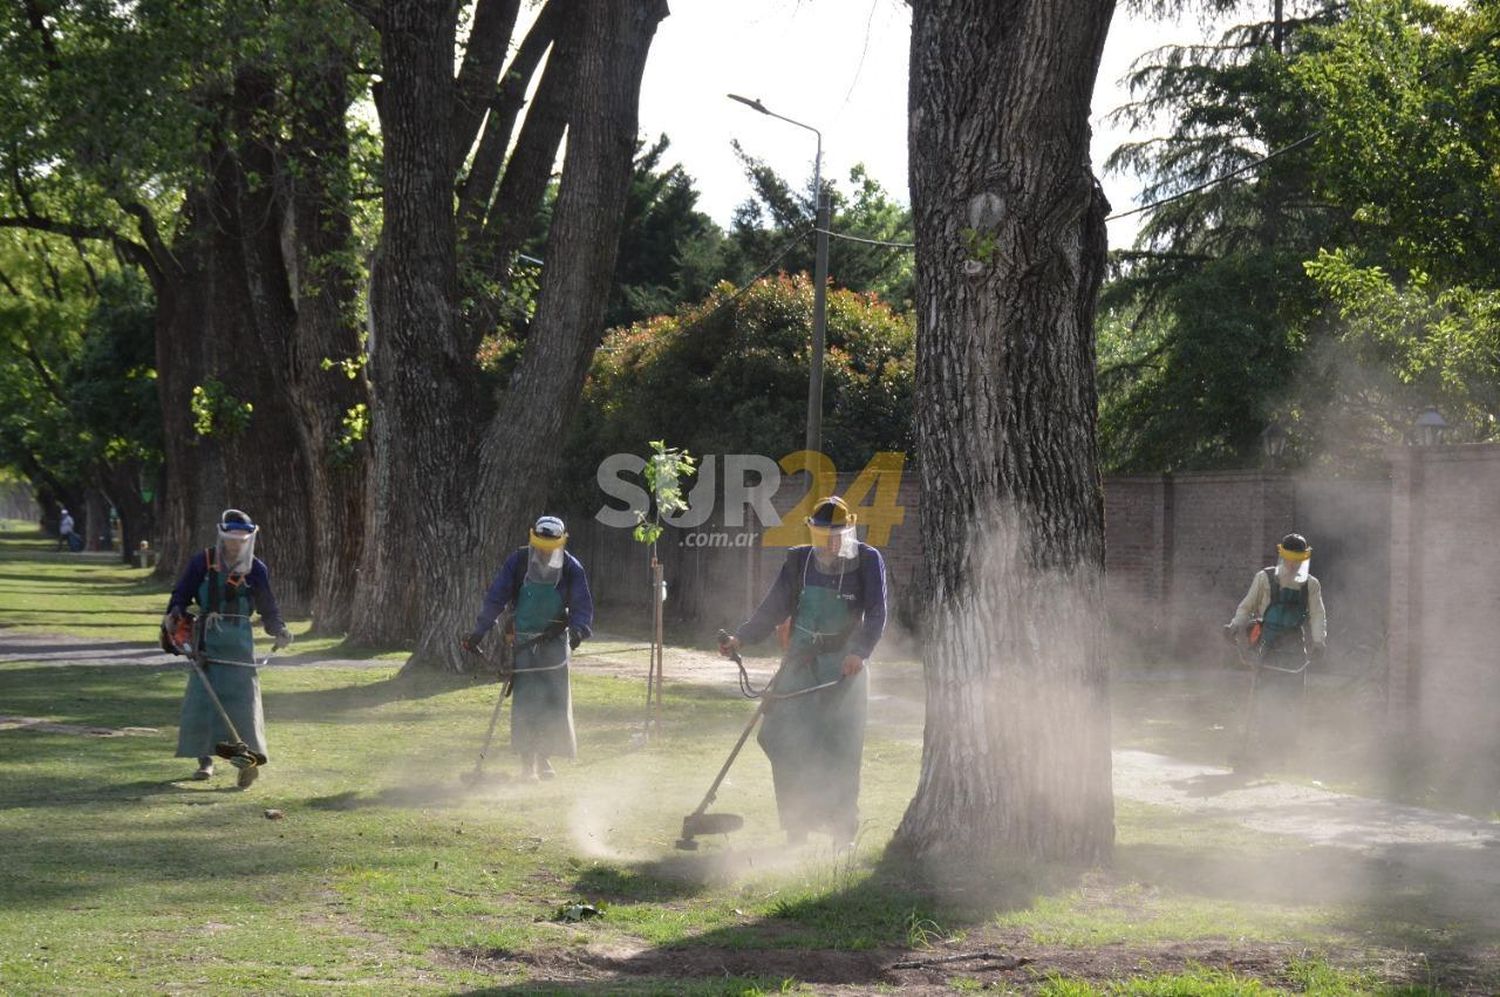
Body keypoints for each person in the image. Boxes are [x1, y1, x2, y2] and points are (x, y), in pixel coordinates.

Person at [720, 496, 888, 847]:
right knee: (779, 734)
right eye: (822, 534)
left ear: (849, 530)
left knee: (841, 746)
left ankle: (842, 832)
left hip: (844, 666)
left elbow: (876, 613)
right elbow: (775, 605)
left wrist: (860, 652)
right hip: (800, 659)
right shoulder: (799, 560)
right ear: (812, 533)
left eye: (837, 534)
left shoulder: (868, 560)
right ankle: (798, 821)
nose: (830, 542)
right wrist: (742, 637)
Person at [159, 509, 293, 787]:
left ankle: (246, 764)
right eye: (231, 538)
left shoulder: (256, 569)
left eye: (241, 538)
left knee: (243, 706)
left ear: (249, 539)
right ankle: (205, 761)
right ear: (223, 537)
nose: (236, 543)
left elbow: (268, 607)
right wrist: (175, 615)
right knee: (203, 703)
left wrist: (279, 629)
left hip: (240, 645)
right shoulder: (203, 562)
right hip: (206, 642)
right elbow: (181, 595)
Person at [464, 515, 594, 781]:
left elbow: (582, 605)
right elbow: (496, 598)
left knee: (553, 701)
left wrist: (579, 631)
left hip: (555, 643)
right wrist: (479, 631)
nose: (545, 552)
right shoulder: (518, 562)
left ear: (561, 543)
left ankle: (544, 759)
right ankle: (527, 765)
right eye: (541, 545)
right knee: (526, 703)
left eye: (551, 547)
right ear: (533, 539)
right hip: (524, 643)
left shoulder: (571, 568)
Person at [1223, 532, 1327, 774]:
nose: (1293, 565)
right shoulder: (1264, 578)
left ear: (1304, 560)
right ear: (1282, 557)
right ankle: (1255, 753)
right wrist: (1235, 625)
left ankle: (1282, 754)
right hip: (1267, 648)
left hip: (1293, 650)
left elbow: (1318, 615)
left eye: (1297, 561)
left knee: (1290, 703)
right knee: (1262, 700)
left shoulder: (1311, 585)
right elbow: (1247, 606)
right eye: (1289, 560)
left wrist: (1319, 642)